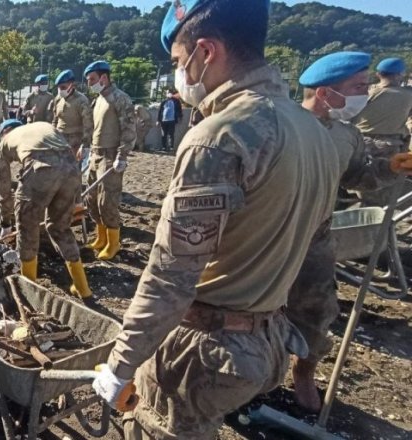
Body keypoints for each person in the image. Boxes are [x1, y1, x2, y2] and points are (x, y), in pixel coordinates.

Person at [89, 2, 341, 439]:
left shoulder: (221, 136)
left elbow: (171, 275)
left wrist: (121, 364)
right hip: (265, 340)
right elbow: (318, 260)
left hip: (203, 350)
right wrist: (307, 347)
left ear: (205, 52)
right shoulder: (315, 133)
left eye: (177, 61)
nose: (178, 73)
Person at [291, 51, 412, 412]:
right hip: (267, 233)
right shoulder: (282, 124)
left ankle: (303, 372)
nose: (366, 92)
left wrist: (391, 167)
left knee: (317, 310)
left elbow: (359, 176)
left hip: (315, 236)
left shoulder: (347, 136)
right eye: (358, 87)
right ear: (326, 92)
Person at [0, 120, 93, 298]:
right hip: (72, 171)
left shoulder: (4, 143)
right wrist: (77, 201)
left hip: (40, 169)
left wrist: (6, 223)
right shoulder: (43, 126)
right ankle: (82, 288)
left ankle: (28, 291)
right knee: (60, 228)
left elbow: (4, 188)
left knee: (27, 228)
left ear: (3, 133)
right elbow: (67, 157)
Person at [83, 60, 136, 261]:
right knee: (91, 199)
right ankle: (101, 236)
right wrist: (87, 148)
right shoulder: (98, 100)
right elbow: (93, 128)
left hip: (111, 155)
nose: (89, 84)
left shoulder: (120, 98)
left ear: (104, 78)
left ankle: (113, 243)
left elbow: (128, 129)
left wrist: (122, 156)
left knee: (107, 201)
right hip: (96, 154)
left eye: (92, 79)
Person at [352, 57, 412, 206]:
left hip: (361, 141)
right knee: (389, 178)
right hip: (390, 144)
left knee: (363, 177)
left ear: (378, 74)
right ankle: (386, 209)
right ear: (400, 74)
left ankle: (368, 206)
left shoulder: (367, 92)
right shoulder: (408, 95)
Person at [51, 69, 93, 162]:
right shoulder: (58, 99)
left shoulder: (81, 100)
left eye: (63, 87)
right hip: (59, 141)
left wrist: (85, 145)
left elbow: (88, 125)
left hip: (75, 143)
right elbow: (55, 119)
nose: (60, 90)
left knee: (73, 168)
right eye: (59, 87)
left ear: (72, 85)